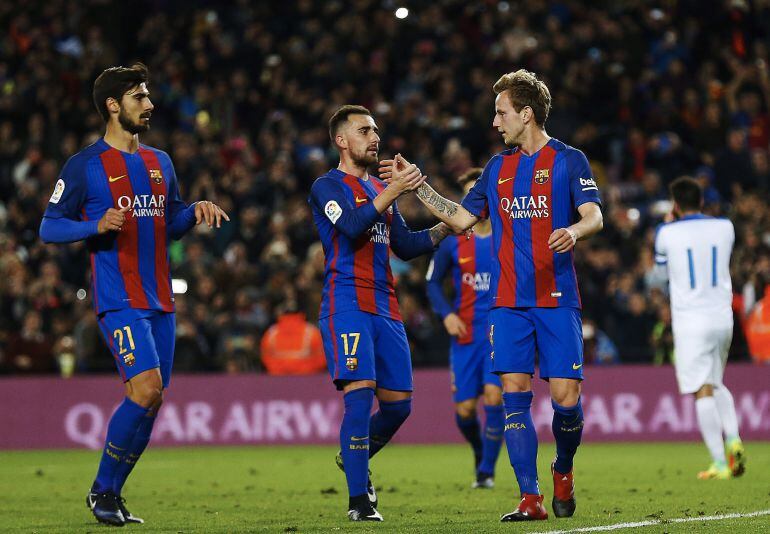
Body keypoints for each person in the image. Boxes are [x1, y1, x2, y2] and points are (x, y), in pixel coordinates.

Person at [381, 69, 603, 522]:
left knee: (566, 399)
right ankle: (530, 497)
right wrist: (417, 184)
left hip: (558, 300)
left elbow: (594, 214)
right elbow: (461, 220)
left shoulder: (568, 159)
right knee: (512, 395)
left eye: (501, 113)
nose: (495, 121)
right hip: (507, 305)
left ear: (526, 114)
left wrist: (574, 231)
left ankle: (563, 468)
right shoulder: (498, 168)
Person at [39, 63, 229, 526]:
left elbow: (171, 219)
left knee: (153, 397)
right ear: (113, 105)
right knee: (145, 390)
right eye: (139, 96)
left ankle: (112, 495)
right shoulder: (84, 165)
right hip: (117, 297)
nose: (149, 104)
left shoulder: (160, 161)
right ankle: (101, 490)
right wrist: (94, 225)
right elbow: (49, 225)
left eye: (147, 96)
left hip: (161, 299)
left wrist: (195, 212)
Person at [308, 105, 452, 522]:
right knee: (360, 397)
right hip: (346, 304)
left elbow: (404, 245)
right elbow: (351, 226)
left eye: (376, 131)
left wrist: (447, 227)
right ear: (341, 140)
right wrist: (396, 191)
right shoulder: (326, 186)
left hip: (386, 307)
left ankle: (353, 455)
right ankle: (359, 501)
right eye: (364, 130)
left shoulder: (379, 191)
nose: (375, 138)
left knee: (399, 405)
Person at [654, 176, 746, 479]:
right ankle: (733, 440)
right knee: (716, 381)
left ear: (676, 205)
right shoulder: (725, 227)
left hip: (691, 320)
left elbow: (659, 273)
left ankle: (719, 462)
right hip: (722, 317)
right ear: (702, 201)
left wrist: (670, 223)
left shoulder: (666, 232)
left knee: (701, 390)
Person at [425, 167, 504, 489]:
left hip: (499, 331)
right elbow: (431, 283)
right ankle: (479, 450)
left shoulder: (507, 235)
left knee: (494, 397)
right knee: (465, 410)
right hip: (466, 333)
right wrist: (445, 313)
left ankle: (486, 472)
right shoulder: (453, 242)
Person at [260, 299, 326, 375]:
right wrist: (309, 369)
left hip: (278, 376)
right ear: (302, 314)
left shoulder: (272, 332)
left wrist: (275, 368)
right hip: (306, 376)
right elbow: (322, 357)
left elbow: (265, 355)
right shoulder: (312, 331)